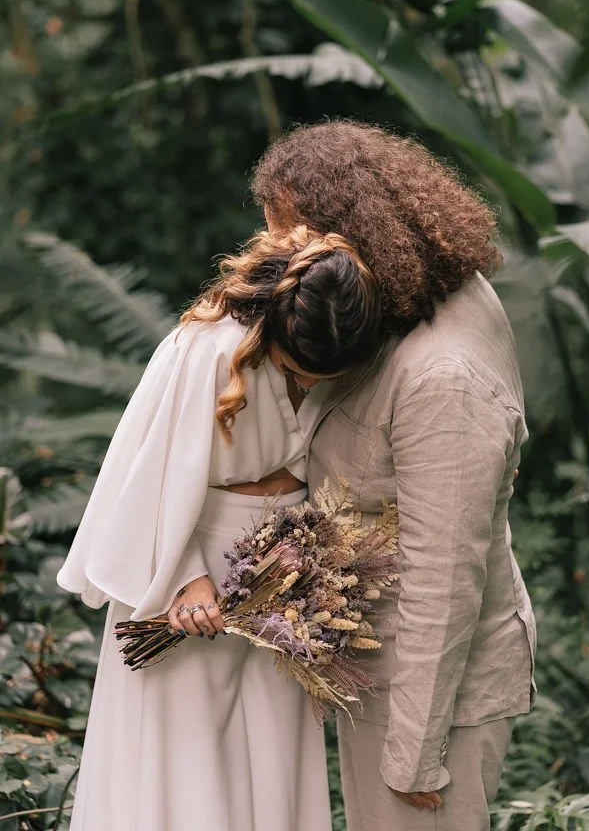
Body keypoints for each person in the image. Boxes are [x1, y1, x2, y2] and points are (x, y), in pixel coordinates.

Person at [253, 121, 537, 831]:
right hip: (384, 673)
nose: (282, 262)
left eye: (292, 241)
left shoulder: (444, 379)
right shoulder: (407, 293)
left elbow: (444, 576)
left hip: (432, 703)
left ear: (356, 231)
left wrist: (413, 757)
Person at [57, 225, 382, 831]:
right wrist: (185, 579)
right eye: (297, 369)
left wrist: (307, 560)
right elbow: (147, 474)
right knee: (185, 767)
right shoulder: (205, 349)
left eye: (323, 378)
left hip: (282, 583)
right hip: (189, 569)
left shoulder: (343, 345)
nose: (309, 384)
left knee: (269, 760)